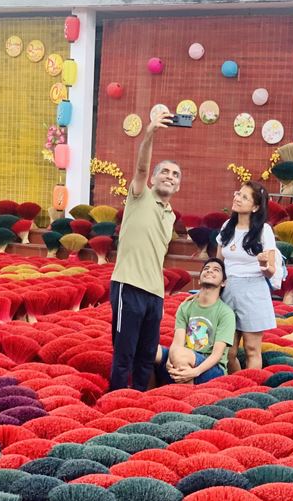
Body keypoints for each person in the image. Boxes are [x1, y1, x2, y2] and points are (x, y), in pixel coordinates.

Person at [109, 111, 180, 391]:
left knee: (146, 356)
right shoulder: (140, 196)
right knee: (124, 355)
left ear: (178, 185)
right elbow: (139, 169)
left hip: (155, 294)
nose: (169, 177)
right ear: (152, 178)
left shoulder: (171, 214)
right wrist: (150, 132)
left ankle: (138, 403)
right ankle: (114, 404)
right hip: (129, 285)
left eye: (175, 175)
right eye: (164, 171)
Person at [216, 181, 277, 372]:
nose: (237, 198)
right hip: (228, 290)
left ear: (256, 206)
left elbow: (271, 270)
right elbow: (219, 262)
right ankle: (236, 382)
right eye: (238, 194)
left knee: (251, 349)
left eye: (244, 197)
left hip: (254, 290)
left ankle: (250, 389)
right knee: (229, 351)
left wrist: (263, 264)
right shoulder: (227, 226)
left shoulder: (264, 230)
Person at [154, 258, 235, 385]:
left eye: (216, 270)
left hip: (211, 369)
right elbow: (177, 342)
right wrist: (170, 358)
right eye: (206, 269)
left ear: (223, 282)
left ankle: (187, 399)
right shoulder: (186, 306)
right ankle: (149, 393)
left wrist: (195, 371)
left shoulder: (226, 313)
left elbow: (217, 355)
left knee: (181, 356)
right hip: (181, 358)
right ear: (199, 279)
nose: (209, 271)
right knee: (148, 350)